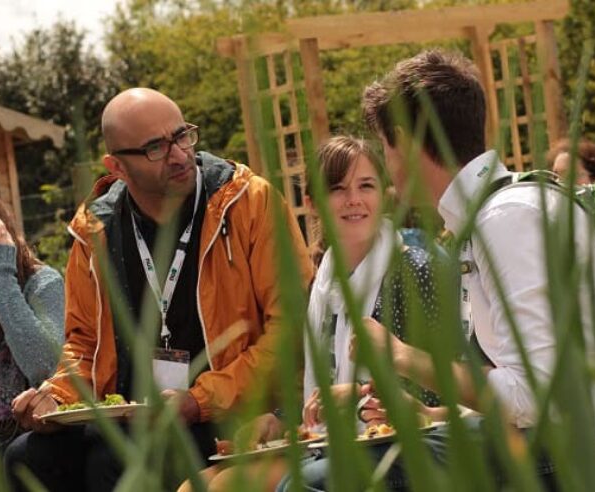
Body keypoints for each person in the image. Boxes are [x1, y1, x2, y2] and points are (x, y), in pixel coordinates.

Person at [343, 49, 595, 489]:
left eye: (385, 148)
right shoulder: (499, 211)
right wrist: (434, 414)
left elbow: (535, 395)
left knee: (340, 474)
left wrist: (403, 357)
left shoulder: (506, 220)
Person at [4, 88, 312, 492]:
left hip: (233, 409)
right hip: (136, 416)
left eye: (182, 135)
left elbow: (291, 327)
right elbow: (84, 346)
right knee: (24, 457)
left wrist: (199, 399)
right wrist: (56, 398)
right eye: (155, 147)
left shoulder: (248, 203)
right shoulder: (95, 231)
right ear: (116, 167)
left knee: (114, 462)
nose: (180, 154)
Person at [186, 136, 451, 492]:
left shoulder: (415, 271)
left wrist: (356, 395)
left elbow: (435, 395)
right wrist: (277, 422)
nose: (353, 199)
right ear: (312, 203)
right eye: (338, 189)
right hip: (329, 444)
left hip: (396, 452)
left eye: (366, 186)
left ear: (386, 195)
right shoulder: (321, 284)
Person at [0, 186, 64, 488]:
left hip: (26, 430)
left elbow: (43, 363)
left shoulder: (42, 284)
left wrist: (1, 274)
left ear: (0, 238)